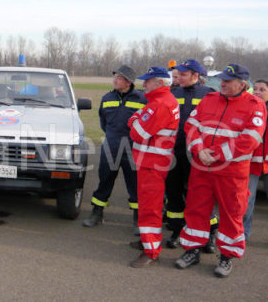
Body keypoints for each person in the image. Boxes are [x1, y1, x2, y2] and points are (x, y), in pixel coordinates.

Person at [175, 64, 266, 278]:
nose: (222, 83)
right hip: (201, 168)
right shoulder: (209, 99)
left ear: (242, 85)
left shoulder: (255, 105)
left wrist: (215, 153)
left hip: (232, 173)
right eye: (222, 80)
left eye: (227, 80)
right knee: (196, 209)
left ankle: (226, 257)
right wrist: (198, 149)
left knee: (231, 214)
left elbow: (250, 139)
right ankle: (192, 250)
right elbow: (191, 125)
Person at [83, 65, 146, 233]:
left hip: (133, 149)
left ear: (128, 82)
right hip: (110, 147)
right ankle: (96, 213)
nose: (115, 80)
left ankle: (138, 219)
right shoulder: (107, 98)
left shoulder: (142, 99)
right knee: (104, 181)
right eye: (115, 77)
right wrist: (113, 137)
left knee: (135, 184)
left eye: (119, 78)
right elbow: (103, 122)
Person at [127, 66, 179, 268]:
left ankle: (151, 251)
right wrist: (138, 118)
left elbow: (137, 133)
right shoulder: (158, 102)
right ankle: (147, 241)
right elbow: (141, 122)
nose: (143, 84)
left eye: (147, 81)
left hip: (152, 164)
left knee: (150, 208)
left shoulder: (160, 105)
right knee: (148, 205)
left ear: (159, 83)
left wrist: (134, 120)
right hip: (150, 162)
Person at [165, 59, 216, 249]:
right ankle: (177, 231)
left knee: (199, 196)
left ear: (196, 76)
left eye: (184, 75)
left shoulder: (209, 95)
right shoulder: (173, 93)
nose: (179, 78)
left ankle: (209, 234)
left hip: (197, 155)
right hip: (174, 153)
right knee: (174, 193)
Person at [243, 79, 268, 239]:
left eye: (262, 89)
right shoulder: (247, 108)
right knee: (247, 200)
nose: (257, 91)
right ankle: (243, 234)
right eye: (255, 89)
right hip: (251, 161)